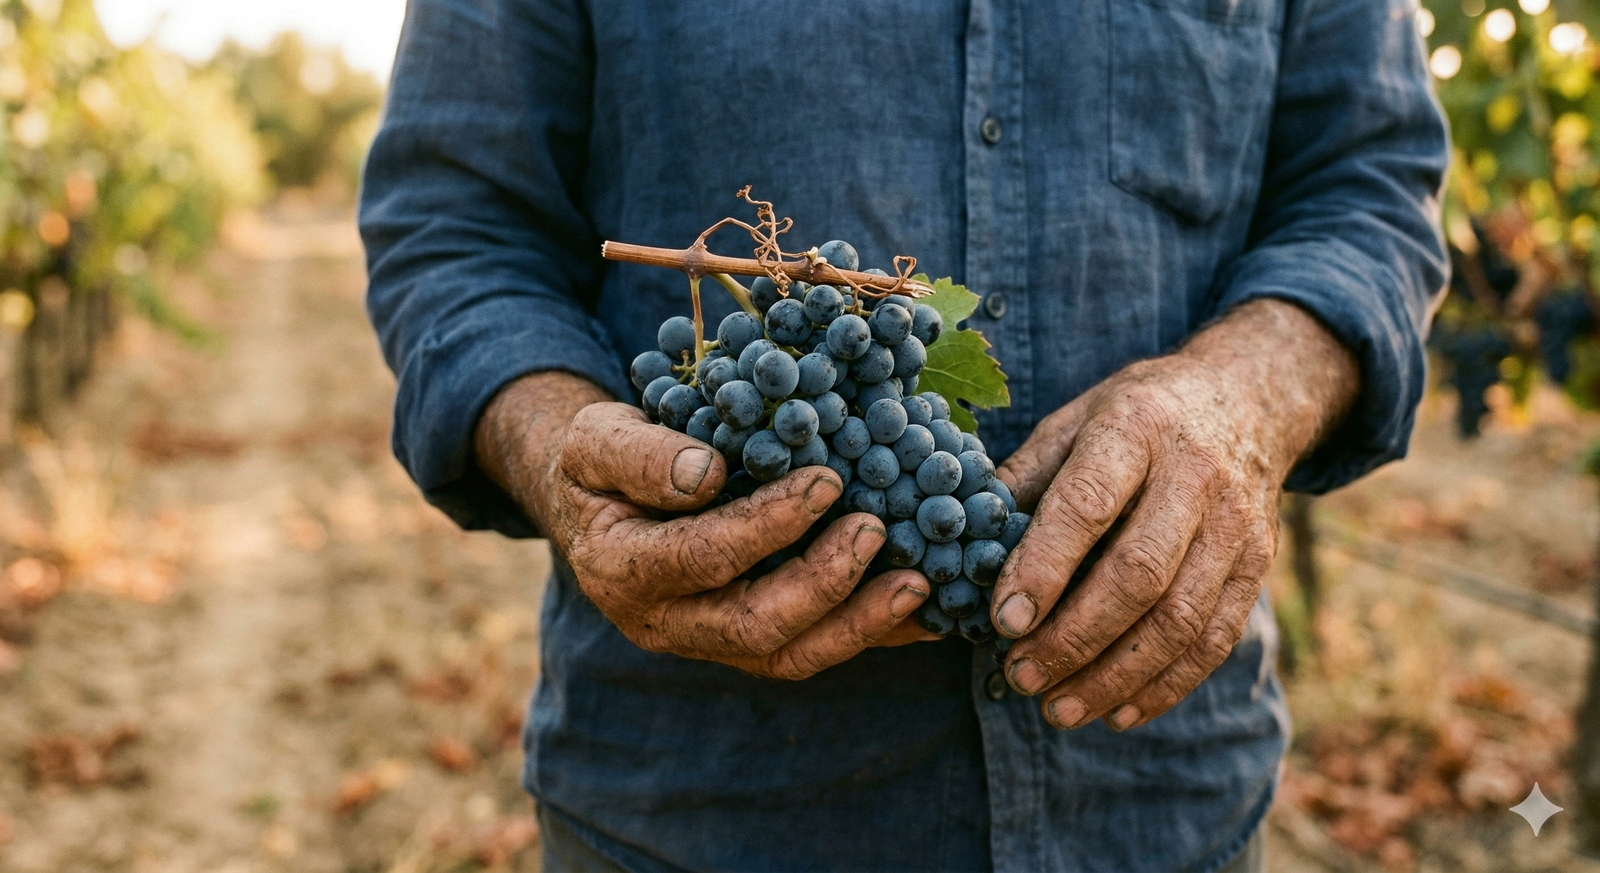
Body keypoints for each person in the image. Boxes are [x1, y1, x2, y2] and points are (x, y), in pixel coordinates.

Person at [360, 0, 1448, 869]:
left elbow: (1370, 190)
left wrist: (1246, 397)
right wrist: (560, 449)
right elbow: (455, 229)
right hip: (691, 812)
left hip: (1165, 804)